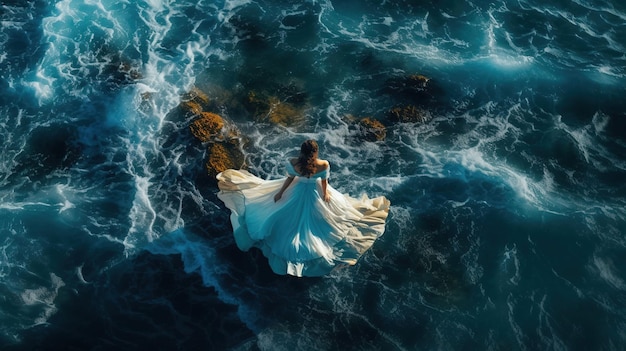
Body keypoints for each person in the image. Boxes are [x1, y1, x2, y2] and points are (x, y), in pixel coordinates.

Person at [216, 140, 390, 277]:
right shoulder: (324, 165)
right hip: (315, 192)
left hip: (296, 191)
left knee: (281, 215)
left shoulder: (293, 163)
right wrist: (326, 194)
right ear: (315, 153)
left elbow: (290, 179)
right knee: (326, 217)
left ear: (301, 152)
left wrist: (281, 193)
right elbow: (324, 182)